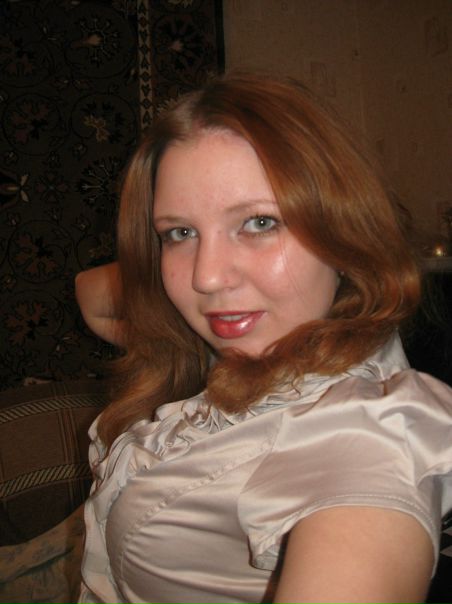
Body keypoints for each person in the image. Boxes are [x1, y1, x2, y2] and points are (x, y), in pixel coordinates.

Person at [78, 72, 452, 604]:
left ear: (342, 232)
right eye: (180, 233)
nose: (207, 277)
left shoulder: (369, 430)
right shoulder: (244, 341)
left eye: (259, 223)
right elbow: (91, 292)